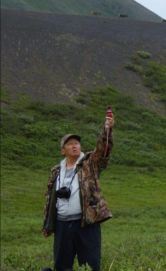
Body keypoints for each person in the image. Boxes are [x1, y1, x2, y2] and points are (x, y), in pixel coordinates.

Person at [42, 115, 115, 271]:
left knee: (90, 266)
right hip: (62, 225)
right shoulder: (56, 172)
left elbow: (103, 152)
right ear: (63, 150)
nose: (75, 146)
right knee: (61, 266)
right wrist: (48, 225)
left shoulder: (90, 164)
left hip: (86, 224)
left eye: (77, 143)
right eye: (70, 144)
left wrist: (107, 131)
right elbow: (50, 199)